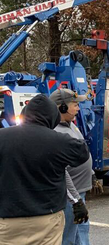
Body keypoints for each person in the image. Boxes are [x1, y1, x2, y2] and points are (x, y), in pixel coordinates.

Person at [0, 94, 90, 245]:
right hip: (47, 219)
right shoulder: (58, 141)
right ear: (53, 117)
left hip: (7, 220)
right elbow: (82, 152)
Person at [50, 89, 103, 245]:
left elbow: (83, 152)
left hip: (79, 192)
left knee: (81, 230)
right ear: (62, 107)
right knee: (69, 236)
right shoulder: (55, 132)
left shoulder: (71, 126)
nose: (78, 108)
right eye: (75, 104)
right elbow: (60, 170)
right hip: (68, 196)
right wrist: (75, 201)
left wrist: (92, 174)